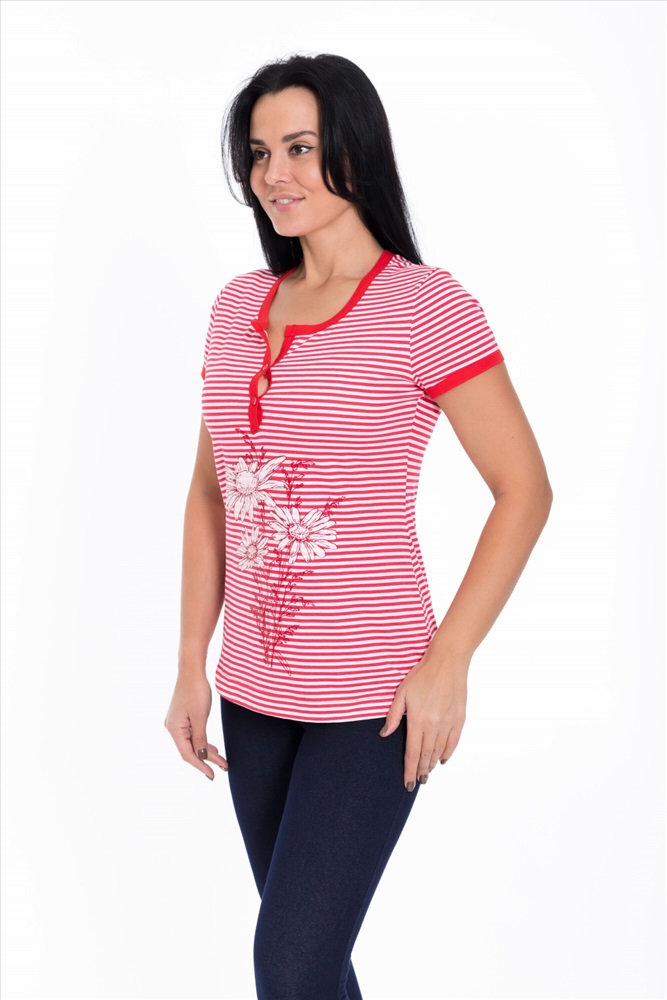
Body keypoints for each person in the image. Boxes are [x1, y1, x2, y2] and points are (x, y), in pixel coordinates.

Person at [164, 52, 553, 1000]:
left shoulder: (424, 307)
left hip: (375, 701)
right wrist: (189, 663)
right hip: (254, 692)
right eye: (259, 153)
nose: (274, 174)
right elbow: (214, 494)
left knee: (288, 964)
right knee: (312, 966)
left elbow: (523, 489)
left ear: (353, 149)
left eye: (299, 147)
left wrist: (448, 659)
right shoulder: (235, 308)